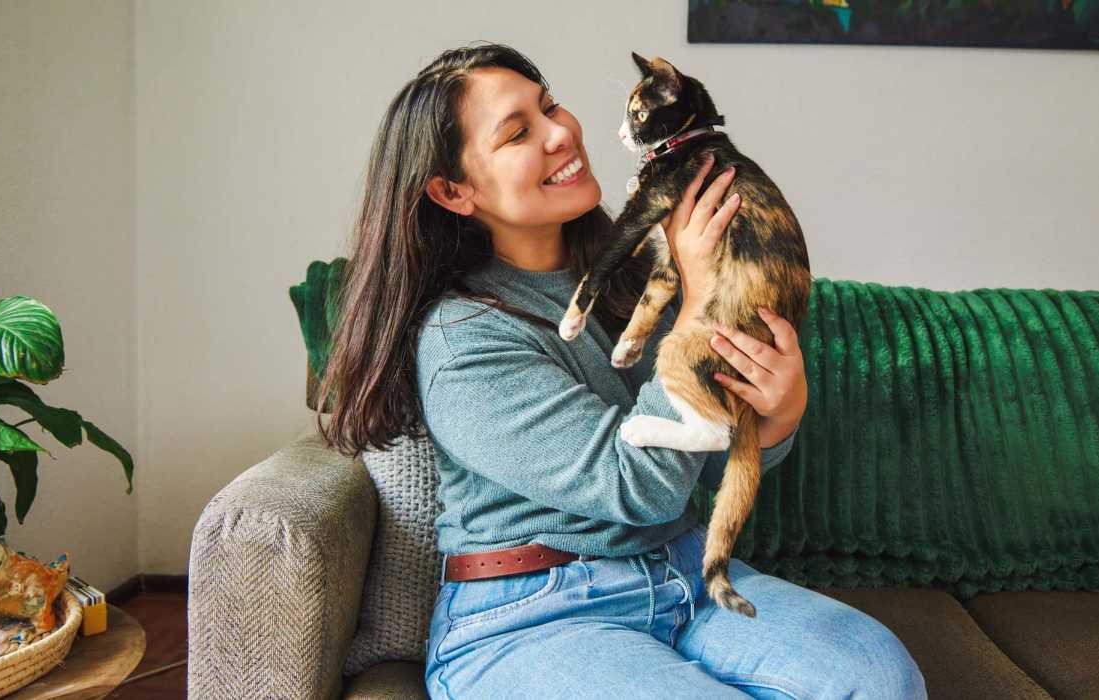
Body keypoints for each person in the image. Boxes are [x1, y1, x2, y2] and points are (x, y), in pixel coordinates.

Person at [317, 42, 927, 699]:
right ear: (453, 190)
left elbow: (708, 468)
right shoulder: (463, 339)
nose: (560, 132)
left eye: (549, 104)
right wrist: (698, 303)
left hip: (686, 571)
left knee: (878, 680)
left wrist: (777, 416)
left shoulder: (635, 279)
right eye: (520, 131)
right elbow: (639, 488)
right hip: (534, 614)